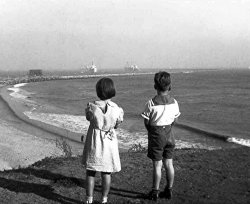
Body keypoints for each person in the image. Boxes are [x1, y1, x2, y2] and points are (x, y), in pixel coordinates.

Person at [82, 77, 124, 204]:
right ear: (112, 90)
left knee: (91, 171)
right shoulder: (116, 109)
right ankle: (104, 199)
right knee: (107, 172)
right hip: (109, 141)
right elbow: (117, 125)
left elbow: (88, 118)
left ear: (98, 92)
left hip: (95, 141)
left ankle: (89, 199)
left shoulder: (92, 107)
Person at [141, 71, 180, 201]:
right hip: (170, 134)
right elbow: (175, 120)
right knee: (169, 163)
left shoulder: (151, 103)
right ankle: (169, 189)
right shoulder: (174, 102)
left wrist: (152, 131)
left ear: (155, 86)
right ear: (169, 86)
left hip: (156, 135)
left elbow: (147, 121)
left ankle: (155, 191)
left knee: (157, 165)